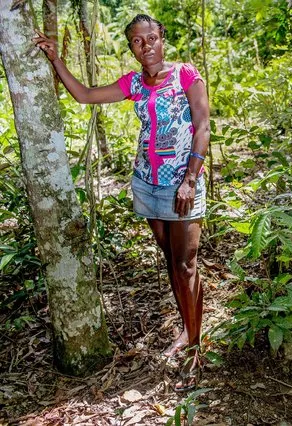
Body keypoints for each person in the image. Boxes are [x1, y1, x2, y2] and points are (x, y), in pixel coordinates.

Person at [34, 14, 210, 392]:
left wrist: (190, 180)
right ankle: (187, 326)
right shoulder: (133, 84)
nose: (145, 46)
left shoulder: (185, 75)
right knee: (172, 260)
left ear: (163, 38)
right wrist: (55, 59)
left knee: (185, 265)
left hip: (183, 184)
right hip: (147, 184)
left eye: (151, 38)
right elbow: (84, 95)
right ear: (131, 48)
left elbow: (203, 126)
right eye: (136, 41)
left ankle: (195, 348)